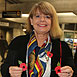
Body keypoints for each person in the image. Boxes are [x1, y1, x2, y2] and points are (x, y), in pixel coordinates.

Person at [1, 1, 74, 77]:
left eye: (47, 17)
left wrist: (69, 73)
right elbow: (4, 68)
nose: (42, 19)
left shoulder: (63, 47)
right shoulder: (17, 43)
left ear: (52, 22)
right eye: (38, 16)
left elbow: (73, 71)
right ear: (31, 21)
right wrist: (9, 71)